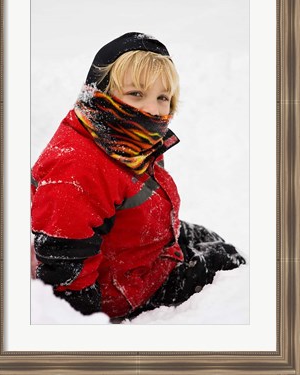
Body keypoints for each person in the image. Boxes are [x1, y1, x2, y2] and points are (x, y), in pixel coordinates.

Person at [31, 32, 246, 321]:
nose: (152, 110)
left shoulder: (127, 136)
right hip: (123, 288)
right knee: (227, 260)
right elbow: (65, 272)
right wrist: (87, 332)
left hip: (143, 247)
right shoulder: (76, 167)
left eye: (162, 98)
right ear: (102, 91)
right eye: (136, 94)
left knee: (213, 240)